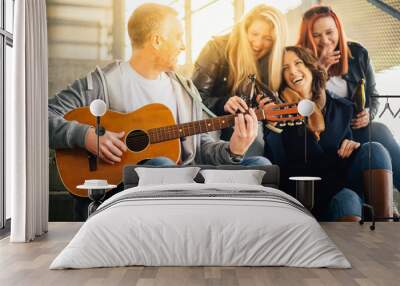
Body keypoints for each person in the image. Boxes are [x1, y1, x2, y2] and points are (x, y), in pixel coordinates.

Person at [48, 3, 269, 221]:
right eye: (178, 37)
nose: (183, 46)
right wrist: (85, 136)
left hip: (182, 184)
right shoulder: (100, 83)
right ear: (156, 40)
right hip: (126, 190)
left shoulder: (185, 89)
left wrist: (234, 149)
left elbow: (199, 148)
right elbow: (41, 117)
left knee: (261, 166)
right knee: (161, 167)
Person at [297, 5, 400, 206]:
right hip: (325, 137)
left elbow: (372, 95)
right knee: (378, 132)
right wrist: (320, 68)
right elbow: (307, 108)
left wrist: (369, 113)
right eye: (316, 35)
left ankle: (386, 206)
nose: (325, 41)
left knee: (378, 130)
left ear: (338, 30)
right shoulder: (298, 63)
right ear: (308, 37)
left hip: (354, 130)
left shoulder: (358, 54)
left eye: (329, 32)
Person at [277, 46, 393, 221]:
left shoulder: (343, 108)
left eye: (298, 63)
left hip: (340, 180)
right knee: (348, 199)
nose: (293, 72)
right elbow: (294, 167)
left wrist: (352, 146)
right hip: (309, 195)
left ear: (310, 67)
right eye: (285, 68)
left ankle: (385, 228)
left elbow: (345, 154)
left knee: (374, 150)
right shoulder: (279, 113)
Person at [192, 4, 287, 160]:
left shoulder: (276, 62)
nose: (258, 43)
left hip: (249, 133)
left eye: (267, 39)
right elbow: (193, 98)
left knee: (263, 156)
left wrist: (271, 112)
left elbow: (281, 112)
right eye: (254, 34)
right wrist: (222, 103)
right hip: (212, 129)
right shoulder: (217, 48)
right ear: (245, 30)